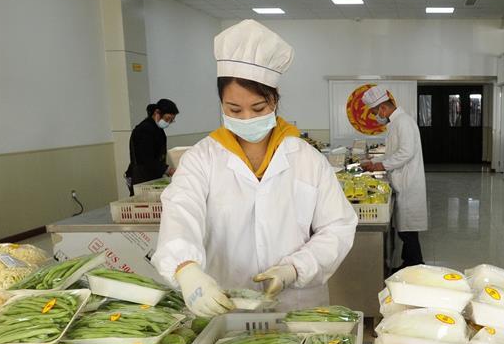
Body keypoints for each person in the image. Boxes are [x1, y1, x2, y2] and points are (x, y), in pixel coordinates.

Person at [151, 20, 358, 316]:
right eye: (234, 110)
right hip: (225, 308)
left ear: (274, 100)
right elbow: (180, 214)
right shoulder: (202, 159)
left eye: (258, 108)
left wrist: (294, 269)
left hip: (296, 309)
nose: (247, 118)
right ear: (221, 103)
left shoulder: (306, 159)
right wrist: (186, 270)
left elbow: (337, 227)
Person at [360, 87, 428, 269]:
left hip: (408, 184)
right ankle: (410, 263)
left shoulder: (403, 122)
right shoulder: (397, 122)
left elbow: (405, 152)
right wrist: (372, 161)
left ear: (383, 108)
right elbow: (392, 153)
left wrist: (380, 165)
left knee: (408, 232)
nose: (376, 117)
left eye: (375, 112)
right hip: (402, 182)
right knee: (405, 231)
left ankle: (415, 265)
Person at [125, 98, 179, 194]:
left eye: (171, 120)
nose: (168, 123)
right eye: (167, 119)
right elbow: (145, 158)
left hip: (152, 176)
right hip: (142, 177)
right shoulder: (144, 130)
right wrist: (167, 169)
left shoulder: (158, 130)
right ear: (157, 113)